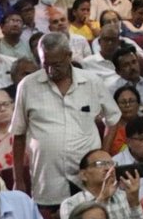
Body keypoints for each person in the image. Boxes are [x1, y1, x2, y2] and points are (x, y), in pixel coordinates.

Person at [10, 32, 121, 205]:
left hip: (88, 178)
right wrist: (18, 179)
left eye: (56, 64)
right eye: (45, 64)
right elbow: (18, 134)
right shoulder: (27, 86)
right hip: (48, 179)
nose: (50, 70)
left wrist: (103, 154)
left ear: (69, 56)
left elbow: (113, 119)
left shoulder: (92, 81)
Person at [57, 150, 143, 219]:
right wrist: (102, 199)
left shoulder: (125, 196)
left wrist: (134, 203)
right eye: (100, 164)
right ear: (83, 175)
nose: (108, 169)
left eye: (111, 164)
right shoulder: (71, 204)